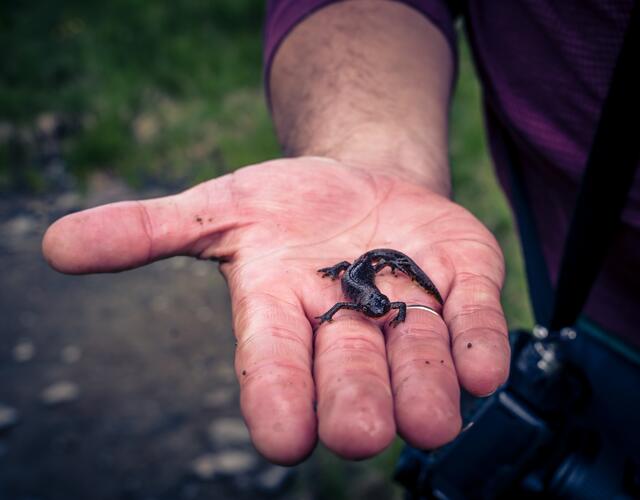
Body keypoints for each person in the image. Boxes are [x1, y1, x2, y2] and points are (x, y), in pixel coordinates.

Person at [42, 0, 638, 467]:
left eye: (380, 304)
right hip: (581, 275)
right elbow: (341, 309)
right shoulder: (355, 298)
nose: (381, 309)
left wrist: (400, 301)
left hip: (396, 260)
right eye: (379, 304)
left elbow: (386, 290)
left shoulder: (380, 296)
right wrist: (366, 157)